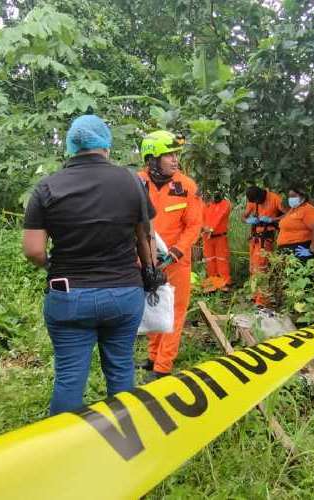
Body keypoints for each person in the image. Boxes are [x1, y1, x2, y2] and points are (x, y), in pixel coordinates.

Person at [23, 115, 160, 414]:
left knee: (70, 378)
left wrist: (52, 266)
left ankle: (64, 450)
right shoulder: (131, 182)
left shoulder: (47, 187)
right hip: (124, 293)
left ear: (72, 146)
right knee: (122, 370)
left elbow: (33, 250)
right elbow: (145, 238)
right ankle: (126, 440)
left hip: (69, 295)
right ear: (106, 145)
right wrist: (151, 273)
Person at [138, 130, 202, 380]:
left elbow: (194, 225)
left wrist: (175, 252)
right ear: (152, 158)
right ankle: (153, 356)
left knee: (174, 312)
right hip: (146, 259)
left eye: (176, 154)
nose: (175, 159)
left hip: (176, 261)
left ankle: (163, 368)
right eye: (169, 155)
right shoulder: (137, 182)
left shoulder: (186, 186)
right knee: (153, 309)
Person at [242, 186, 285, 305]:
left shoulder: (275, 199)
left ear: (262, 195)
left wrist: (272, 219)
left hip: (266, 238)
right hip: (254, 237)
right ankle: (254, 294)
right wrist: (248, 220)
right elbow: (243, 217)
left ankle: (262, 300)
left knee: (261, 267)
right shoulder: (253, 201)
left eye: (257, 201)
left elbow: (288, 214)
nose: (256, 204)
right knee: (252, 267)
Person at [277, 186, 314, 262]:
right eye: (289, 196)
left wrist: (311, 249)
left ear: (302, 196)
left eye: (293, 196)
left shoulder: (308, 209)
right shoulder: (293, 210)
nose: (290, 199)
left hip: (299, 249)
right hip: (288, 251)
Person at [201, 190, 232, 291]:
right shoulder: (205, 205)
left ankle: (225, 283)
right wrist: (202, 228)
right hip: (207, 238)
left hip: (220, 237)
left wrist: (209, 228)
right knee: (210, 260)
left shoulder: (225, 204)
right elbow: (199, 218)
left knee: (222, 259)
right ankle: (213, 283)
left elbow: (219, 216)